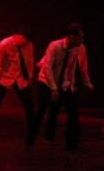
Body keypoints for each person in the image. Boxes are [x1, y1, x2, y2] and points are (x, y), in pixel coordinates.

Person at [30, 22, 93, 150]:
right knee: (42, 111)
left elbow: (72, 68)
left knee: (73, 111)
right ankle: (30, 139)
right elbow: (47, 68)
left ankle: (71, 142)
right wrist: (53, 89)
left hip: (63, 83)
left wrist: (71, 85)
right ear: (72, 36)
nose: (82, 41)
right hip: (47, 81)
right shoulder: (55, 46)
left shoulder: (77, 48)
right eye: (80, 38)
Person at [0, 29, 36, 145]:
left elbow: (30, 61)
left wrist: (29, 77)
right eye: (23, 40)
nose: (24, 43)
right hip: (5, 77)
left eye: (26, 41)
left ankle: (32, 131)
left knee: (29, 104)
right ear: (18, 35)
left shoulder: (29, 45)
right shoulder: (4, 44)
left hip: (21, 77)